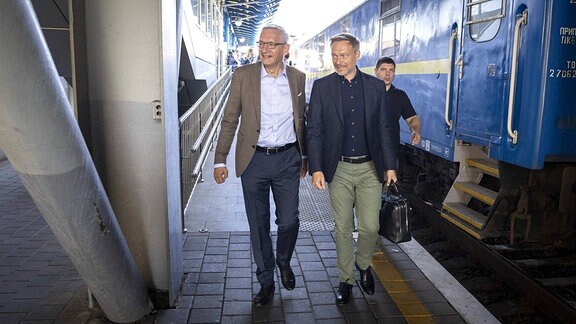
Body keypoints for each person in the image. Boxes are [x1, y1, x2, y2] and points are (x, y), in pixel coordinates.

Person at [213, 24, 307, 307]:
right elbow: (230, 119)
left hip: (288, 158)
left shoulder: (299, 79)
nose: (265, 49)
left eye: (272, 44)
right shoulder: (243, 76)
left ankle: (283, 261)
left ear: (285, 49)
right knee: (259, 225)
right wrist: (220, 159)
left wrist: (307, 158)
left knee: (289, 220)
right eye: (262, 44)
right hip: (253, 159)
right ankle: (266, 281)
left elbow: (304, 121)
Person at [306, 33, 397, 304]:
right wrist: (316, 168)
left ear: (357, 55)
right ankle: (346, 279)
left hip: (370, 168)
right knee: (343, 228)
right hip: (340, 168)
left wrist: (390, 166)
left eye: (344, 55)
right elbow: (315, 130)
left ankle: (363, 264)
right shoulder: (322, 87)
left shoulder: (375, 86)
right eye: (334, 55)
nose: (338, 61)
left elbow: (384, 128)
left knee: (370, 227)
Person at [374, 56, 421, 146]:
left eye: (391, 70)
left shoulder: (400, 96)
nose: (387, 74)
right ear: (376, 71)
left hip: (390, 151)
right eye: (383, 69)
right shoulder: (365, 93)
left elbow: (412, 119)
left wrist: (415, 131)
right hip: (367, 154)